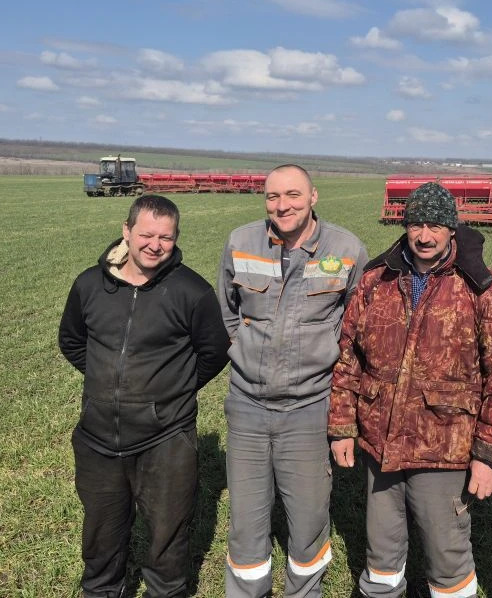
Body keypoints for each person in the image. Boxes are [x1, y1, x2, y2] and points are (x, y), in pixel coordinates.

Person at [329, 182, 492, 598]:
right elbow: (348, 357)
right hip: (380, 445)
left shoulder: (482, 288)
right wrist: (342, 426)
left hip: (444, 448)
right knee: (381, 552)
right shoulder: (376, 280)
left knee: (446, 554)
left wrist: (489, 455)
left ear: (452, 229)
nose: (424, 235)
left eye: (435, 225)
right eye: (416, 224)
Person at [59, 194, 231, 598]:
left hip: (166, 440)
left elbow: (214, 351)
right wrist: (107, 387)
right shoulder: (89, 284)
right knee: (100, 538)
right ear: (127, 231)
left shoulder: (192, 291)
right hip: (98, 438)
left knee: (166, 541)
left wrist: (168, 392)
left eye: (166, 237)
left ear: (176, 238)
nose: (155, 245)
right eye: (146, 234)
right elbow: (72, 341)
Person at [217, 164, 368, 598]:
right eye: (273, 196)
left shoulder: (347, 249)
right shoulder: (240, 242)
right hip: (247, 406)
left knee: (308, 519)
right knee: (246, 519)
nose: (282, 205)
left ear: (313, 197)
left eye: (293, 195)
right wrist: (244, 348)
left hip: (310, 408)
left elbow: (356, 326)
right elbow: (227, 310)